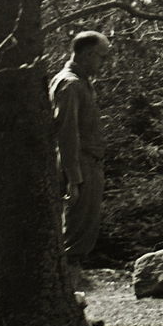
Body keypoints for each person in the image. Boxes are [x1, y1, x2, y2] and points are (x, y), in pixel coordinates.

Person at [50, 30, 112, 285]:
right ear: (87, 54)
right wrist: (74, 180)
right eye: (101, 57)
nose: (103, 63)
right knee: (73, 241)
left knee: (80, 239)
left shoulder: (81, 82)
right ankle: (70, 306)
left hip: (88, 166)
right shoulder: (71, 83)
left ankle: (73, 307)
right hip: (81, 168)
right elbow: (66, 134)